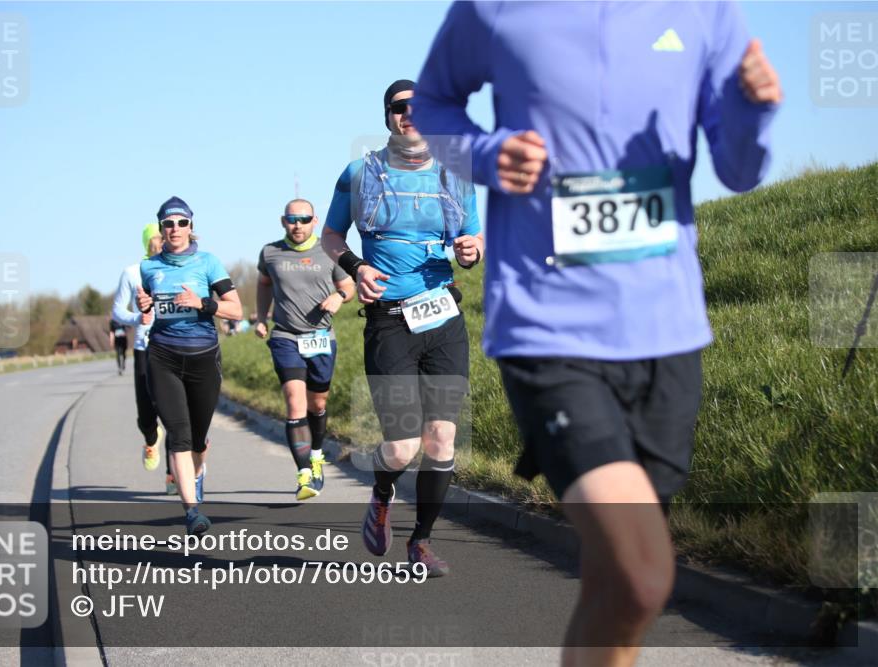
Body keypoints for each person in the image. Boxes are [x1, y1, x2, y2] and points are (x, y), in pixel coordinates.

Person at [411, 2, 781, 663]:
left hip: (665, 331)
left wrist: (754, 111)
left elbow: (738, 169)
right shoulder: (492, 9)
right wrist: (490, 154)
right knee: (642, 574)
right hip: (547, 324)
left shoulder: (705, 12)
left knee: (617, 581)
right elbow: (433, 105)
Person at [322, 79, 484, 577]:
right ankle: (381, 493)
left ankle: (421, 542)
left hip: (443, 317)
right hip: (389, 322)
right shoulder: (359, 173)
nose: (409, 115)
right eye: (398, 108)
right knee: (401, 446)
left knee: (442, 439)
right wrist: (355, 266)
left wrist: (472, 250)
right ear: (387, 116)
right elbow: (331, 235)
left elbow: (473, 239)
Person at [137, 196, 243, 535]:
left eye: (182, 222)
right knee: (178, 436)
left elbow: (236, 310)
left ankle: (198, 473)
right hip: (163, 355)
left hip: (203, 358)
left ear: (191, 227)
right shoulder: (149, 267)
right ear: (162, 229)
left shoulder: (208, 262)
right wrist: (143, 304)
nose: (175, 229)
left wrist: (202, 303)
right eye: (168, 223)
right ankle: (191, 511)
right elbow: (146, 307)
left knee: (198, 439)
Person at [256, 198, 355, 500]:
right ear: (283, 221)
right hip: (285, 336)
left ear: (314, 220)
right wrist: (261, 318)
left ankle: (315, 454)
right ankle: (304, 476)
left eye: (303, 218)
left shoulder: (329, 251)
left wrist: (340, 296)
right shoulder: (270, 253)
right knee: (294, 401)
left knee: (318, 404)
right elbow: (263, 284)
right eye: (291, 219)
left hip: (321, 337)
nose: (297, 224)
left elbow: (350, 286)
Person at [111, 223, 173, 491]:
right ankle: (151, 439)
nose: (161, 243)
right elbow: (117, 311)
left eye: (164, 238)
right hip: (143, 347)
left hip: (172, 345)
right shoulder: (132, 272)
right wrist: (138, 317)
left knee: (173, 412)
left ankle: (173, 474)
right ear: (148, 243)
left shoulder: (176, 268)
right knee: (146, 413)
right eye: (156, 239)